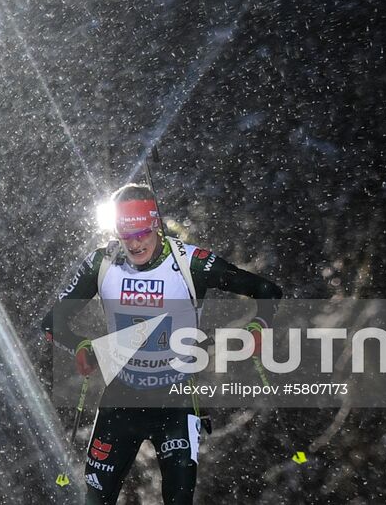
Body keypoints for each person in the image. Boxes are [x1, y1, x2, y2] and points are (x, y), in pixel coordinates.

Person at [42, 183, 282, 504]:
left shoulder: (190, 262)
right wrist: (81, 346)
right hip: (121, 400)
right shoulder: (101, 263)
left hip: (176, 403)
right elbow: (52, 323)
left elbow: (268, 291)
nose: (134, 244)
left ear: (155, 224)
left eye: (141, 233)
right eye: (125, 235)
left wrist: (259, 326)